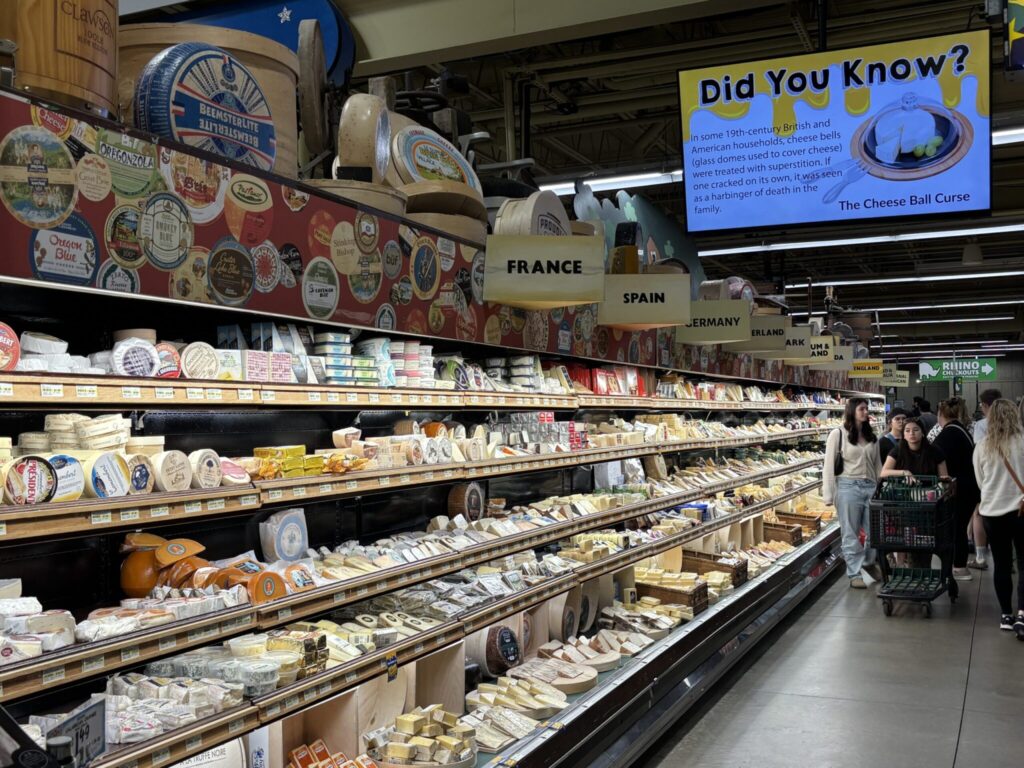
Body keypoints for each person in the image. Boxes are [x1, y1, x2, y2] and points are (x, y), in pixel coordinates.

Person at [971, 399, 1024, 639]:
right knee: (1023, 563)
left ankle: (1006, 615)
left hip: (993, 513)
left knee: (1001, 564)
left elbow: (980, 482)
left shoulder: (982, 446)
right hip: (1021, 511)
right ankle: (1022, 613)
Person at [823, 398, 882, 589]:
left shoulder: (872, 436)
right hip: (848, 487)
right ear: (851, 411)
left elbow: (878, 466)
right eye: (861, 409)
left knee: (875, 531)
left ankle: (868, 562)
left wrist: (881, 489)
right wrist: (828, 494)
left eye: (867, 408)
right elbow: (828, 466)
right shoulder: (838, 434)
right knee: (851, 533)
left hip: (871, 487)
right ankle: (854, 573)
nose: (866, 412)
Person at [933, 398, 981, 581]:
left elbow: (938, 458)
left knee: (956, 528)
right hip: (969, 487)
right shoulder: (960, 430)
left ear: (941, 414)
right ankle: (959, 565)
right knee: (959, 527)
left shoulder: (948, 434)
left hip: (959, 489)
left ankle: (959, 567)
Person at [969, 388, 1001, 569]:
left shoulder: (981, 425)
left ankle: (981, 557)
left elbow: (978, 453)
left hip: (989, 477)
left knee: (979, 513)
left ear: (985, 405)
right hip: (1012, 485)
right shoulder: (1015, 425)